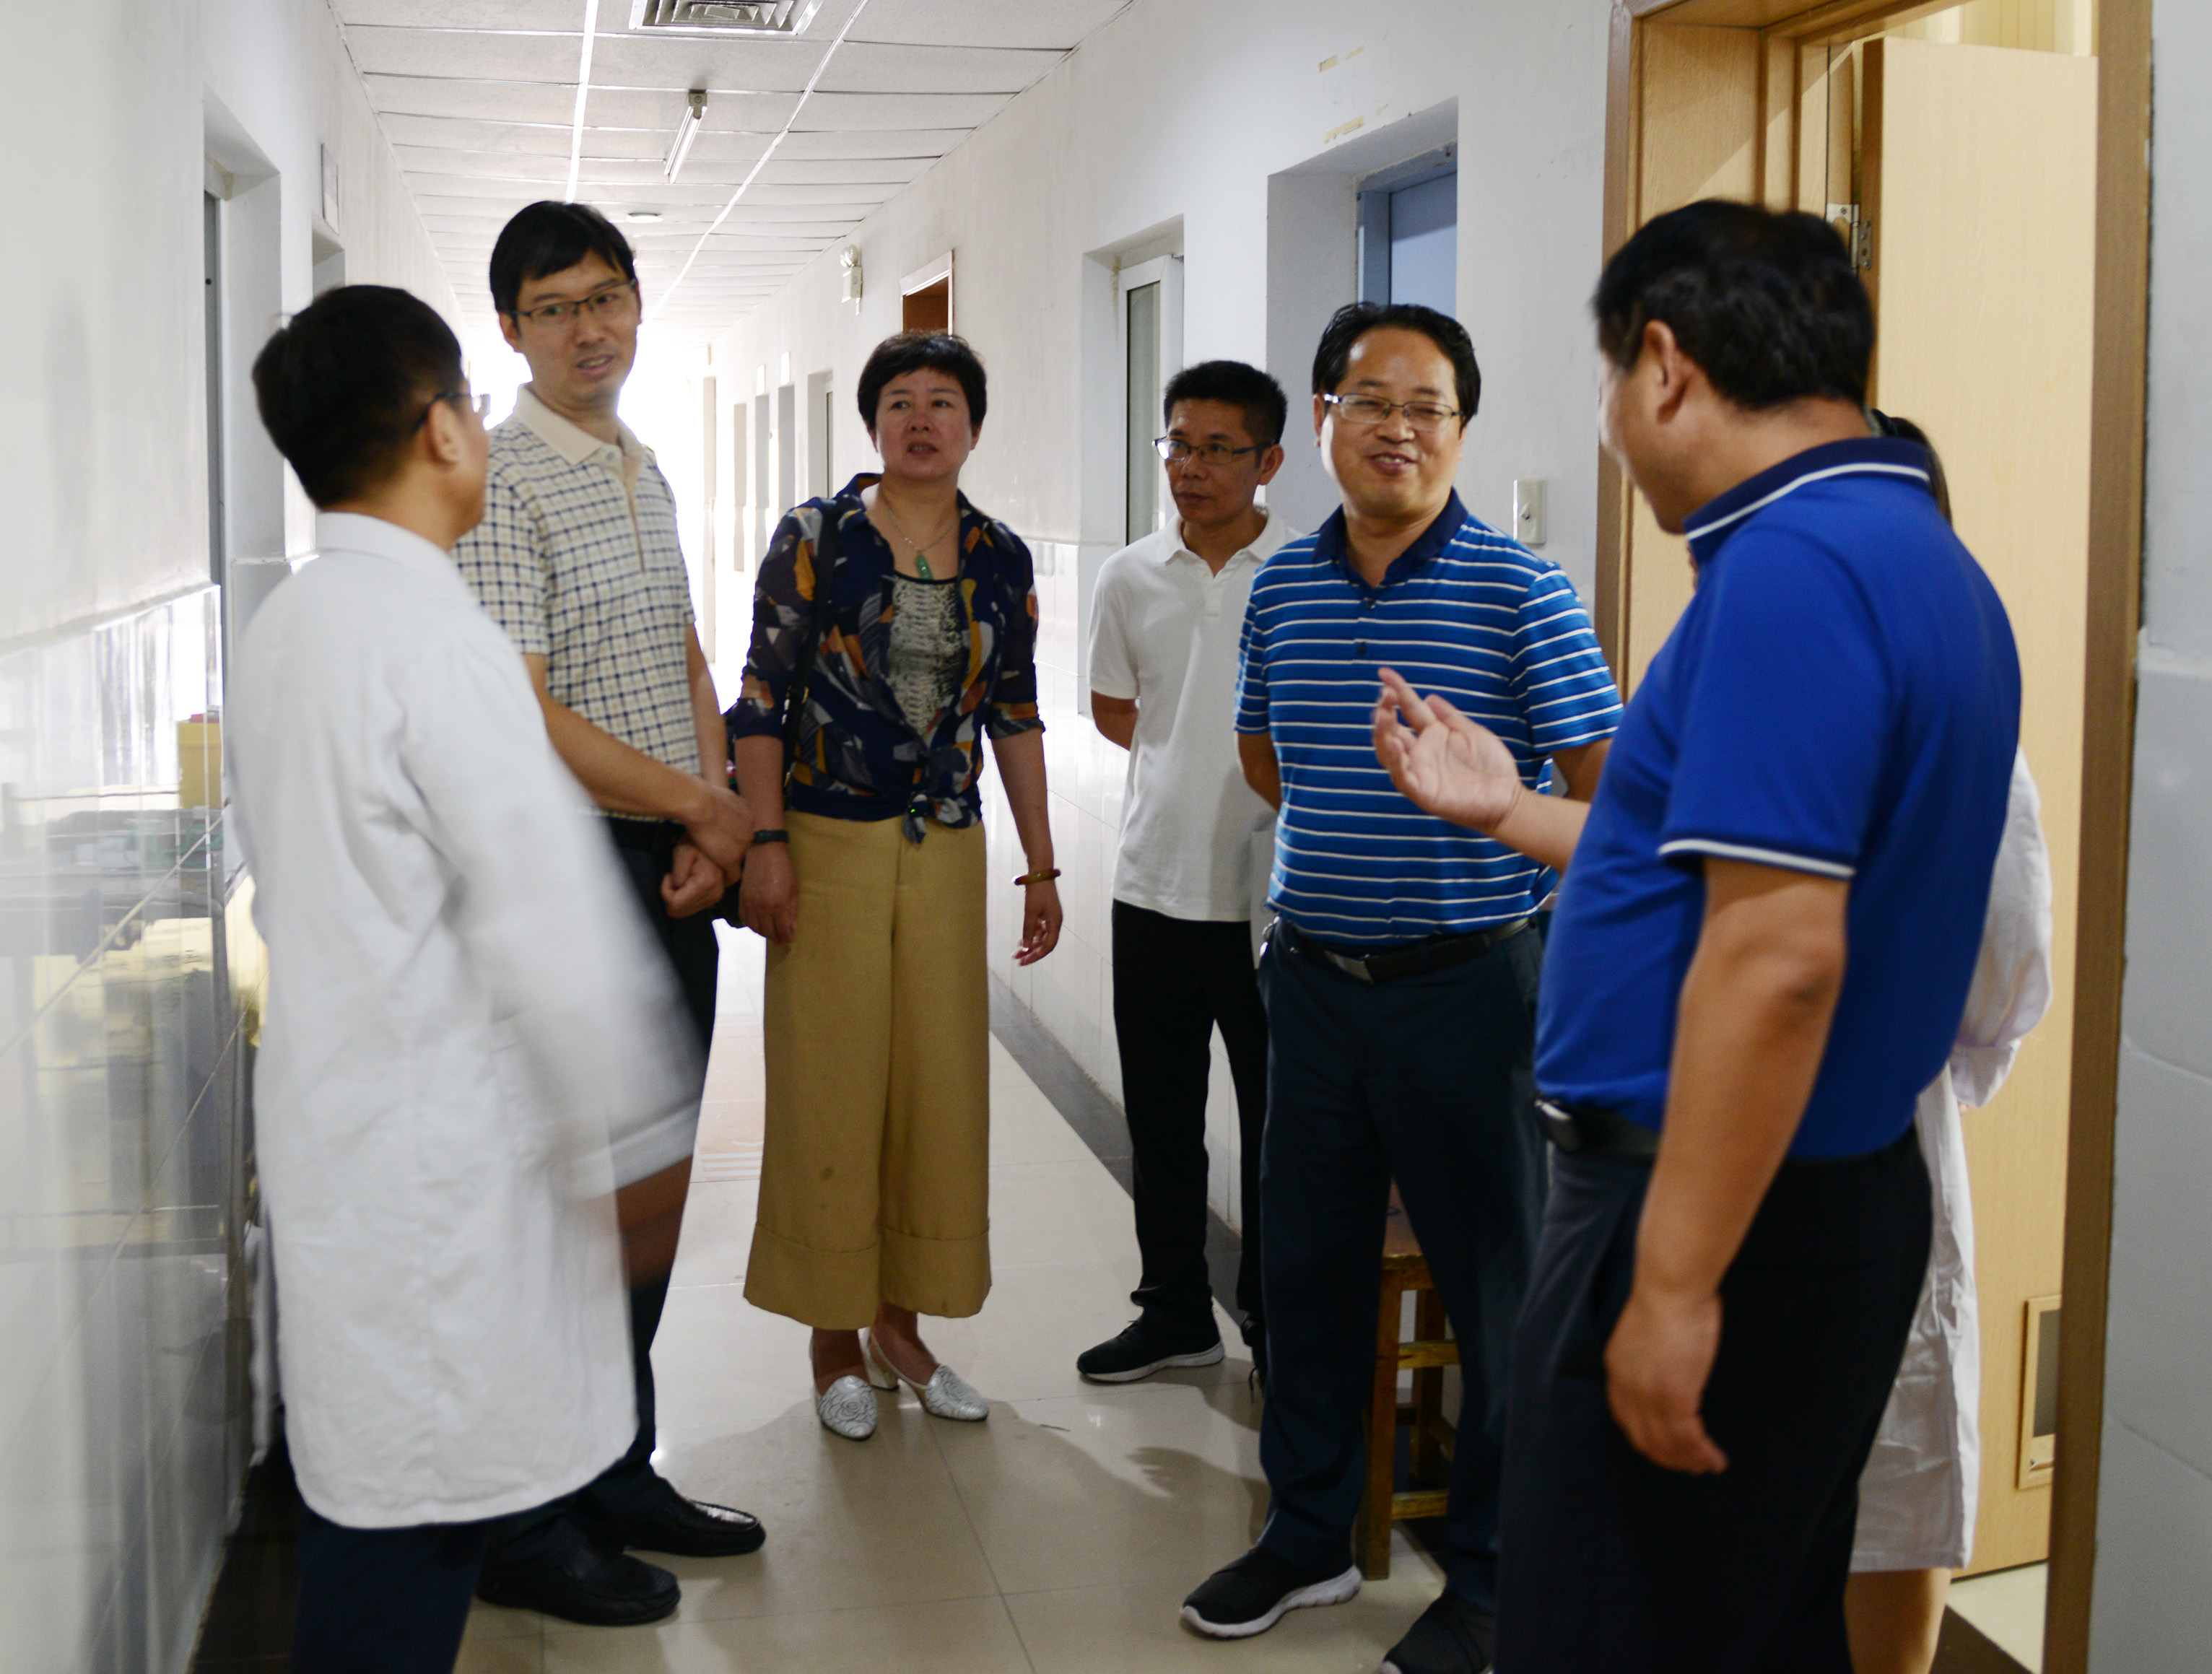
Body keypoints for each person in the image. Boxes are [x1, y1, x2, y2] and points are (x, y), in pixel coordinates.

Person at [1372, 201, 2021, 1673]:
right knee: (1752, 1628)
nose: (1611, 425)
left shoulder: (1791, 570)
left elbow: (1777, 955)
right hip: (1822, 1199)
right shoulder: (1916, 554)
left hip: (1714, 1203)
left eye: (1608, 381)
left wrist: (1669, 1282)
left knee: (1607, 1632)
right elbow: (1718, 867)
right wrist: (1507, 807)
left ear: (1662, 365)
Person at [230, 284, 703, 1673]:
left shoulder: (293, 625)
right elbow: (553, 925)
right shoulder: (442, 646)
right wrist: (642, 1147)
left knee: (378, 1511)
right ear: (443, 430)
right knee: (412, 1540)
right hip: (436, 1166)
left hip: (345, 1136)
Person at [1180, 302, 1621, 1674]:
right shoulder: (1284, 590)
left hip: (1473, 993)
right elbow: (1268, 758)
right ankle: (1309, 1532)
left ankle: (1493, 1582)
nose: (1398, 428)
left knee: (1502, 1296)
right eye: (1370, 400)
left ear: (1462, 432)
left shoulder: (1522, 591)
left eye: (1428, 407)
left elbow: (1616, 806)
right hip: (1313, 988)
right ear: (1321, 420)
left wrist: (1484, 819)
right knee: (1304, 1273)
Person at [453, 200, 763, 1629]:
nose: (589, 328)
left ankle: (614, 1467)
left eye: (606, 297)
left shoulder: (642, 464)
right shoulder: (501, 481)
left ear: (638, 302)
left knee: (645, 1192)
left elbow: (682, 653)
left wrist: (712, 808)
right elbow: (520, 712)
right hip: (566, 869)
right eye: (555, 306)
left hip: (664, 862)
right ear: (510, 329)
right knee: (569, 1211)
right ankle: (528, 1521)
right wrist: (700, 810)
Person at [728, 331, 1061, 1442]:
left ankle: (900, 1329)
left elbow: (1014, 714)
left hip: (947, 846)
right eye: (902, 402)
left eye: (944, 402)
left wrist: (1042, 863)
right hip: (827, 839)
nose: (923, 419)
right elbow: (761, 697)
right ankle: (832, 1338)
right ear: (874, 424)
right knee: (830, 1083)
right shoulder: (819, 536)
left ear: (975, 426)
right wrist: (764, 840)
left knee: (936, 1088)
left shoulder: (1000, 556)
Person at [1845, 418, 2054, 1674]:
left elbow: (2003, 965)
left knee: (1897, 1440)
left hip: (1875, 1134)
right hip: (1714, 1136)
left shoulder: (1960, 723)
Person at [1078, 359, 1297, 1387]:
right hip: (1153, 886)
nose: (1192, 467)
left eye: (1219, 449)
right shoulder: (1130, 575)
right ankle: (1173, 1311)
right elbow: (1114, 709)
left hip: (1273, 898)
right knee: (1162, 1121)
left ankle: (1274, 1320)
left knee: (1278, 1126)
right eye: (1179, 444)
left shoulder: (1307, 572)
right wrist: (1185, 765)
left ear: (1269, 461)